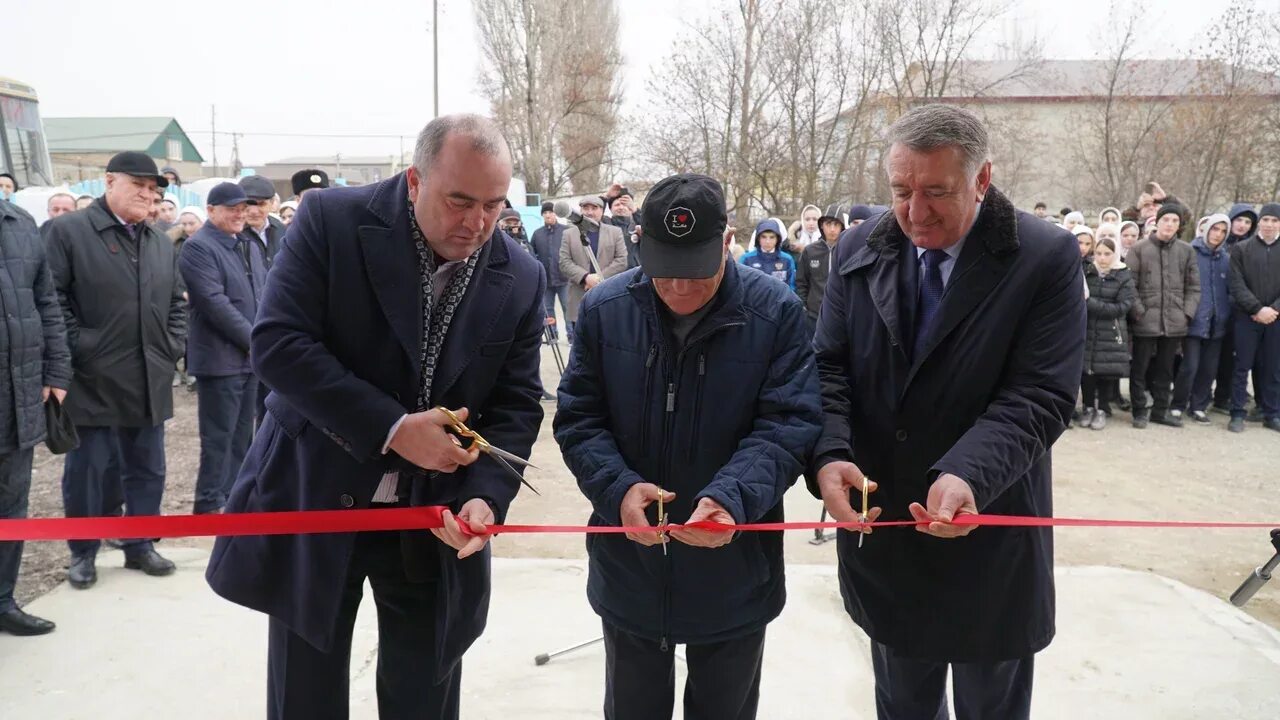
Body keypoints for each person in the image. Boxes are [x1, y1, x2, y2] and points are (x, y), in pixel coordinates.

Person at [205, 115, 545, 719]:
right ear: (415, 180)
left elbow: (517, 403)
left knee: (425, 692)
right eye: (460, 201)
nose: (477, 224)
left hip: (434, 515)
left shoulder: (519, 275)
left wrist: (486, 497)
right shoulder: (332, 221)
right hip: (318, 489)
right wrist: (392, 428)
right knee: (305, 691)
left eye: (494, 205)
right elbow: (279, 344)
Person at [811, 104, 1084, 720]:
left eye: (937, 191)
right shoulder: (859, 247)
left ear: (982, 179)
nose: (914, 212)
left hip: (987, 518)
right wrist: (829, 455)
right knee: (902, 699)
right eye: (901, 191)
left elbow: (1040, 395)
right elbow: (827, 368)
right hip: (886, 525)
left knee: (992, 701)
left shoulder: (1044, 258)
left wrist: (967, 474)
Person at [554, 172, 821, 720]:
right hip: (630, 565)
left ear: (727, 243)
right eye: (663, 271)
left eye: (694, 272)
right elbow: (580, 418)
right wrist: (619, 489)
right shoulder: (606, 310)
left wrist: (732, 497)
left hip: (735, 569)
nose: (677, 288)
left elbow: (789, 422)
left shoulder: (776, 314)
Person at [43, 151, 187, 589]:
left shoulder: (159, 240)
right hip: (92, 378)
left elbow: (178, 304)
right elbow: (52, 300)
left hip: (149, 376)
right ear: (109, 182)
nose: (147, 195)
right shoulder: (68, 232)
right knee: (89, 470)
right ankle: (83, 551)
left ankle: (139, 543)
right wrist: (81, 347)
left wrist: (171, 347)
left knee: (147, 467)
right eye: (137, 185)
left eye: (154, 189)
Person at [0, 199, 72, 636]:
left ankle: (3, 600)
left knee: (11, 505)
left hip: (17, 394)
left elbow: (46, 302)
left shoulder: (18, 221)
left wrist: (57, 370)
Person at [179, 183, 268, 515]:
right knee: (218, 438)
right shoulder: (198, 247)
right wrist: (257, 339)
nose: (239, 215)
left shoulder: (245, 245)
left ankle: (233, 501)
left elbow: (264, 294)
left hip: (249, 360)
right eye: (232, 209)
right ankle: (208, 505)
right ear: (211, 210)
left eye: (243, 209)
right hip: (219, 361)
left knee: (244, 436)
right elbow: (214, 303)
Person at [1127, 202, 1200, 428]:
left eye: (1174, 221)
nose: (1169, 224)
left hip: (1174, 322)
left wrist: (1186, 314)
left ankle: (1160, 410)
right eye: (1165, 219)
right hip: (1145, 320)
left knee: (1165, 370)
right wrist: (1139, 312)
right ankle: (1139, 410)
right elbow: (1129, 285)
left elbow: (1194, 287)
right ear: (1157, 221)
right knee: (1139, 369)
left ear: (1179, 225)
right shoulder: (1139, 249)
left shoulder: (1186, 251)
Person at [1171, 214, 1232, 425]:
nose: (1218, 234)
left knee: (1209, 368)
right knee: (1190, 366)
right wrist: (1186, 313)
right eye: (1215, 229)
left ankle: (1198, 406)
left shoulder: (1226, 258)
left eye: (1223, 231)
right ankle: (1178, 404)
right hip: (1194, 320)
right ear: (1206, 229)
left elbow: (1230, 289)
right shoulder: (1190, 252)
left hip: (1218, 323)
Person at [1226, 203, 1280, 433]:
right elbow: (1236, 283)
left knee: (1272, 368)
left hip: (1276, 320)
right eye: (1266, 220)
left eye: (1274, 221)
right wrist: (1257, 309)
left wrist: (1273, 310)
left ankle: (1271, 412)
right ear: (1260, 222)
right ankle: (1237, 413)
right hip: (1247, 317)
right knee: (1241, 366)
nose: (1269, 224)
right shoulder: (1242, 249)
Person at [1080, 238, 1134, 430]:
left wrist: (1090, 303)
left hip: (1110, 332)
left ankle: (1102, 408)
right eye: (1099, 253)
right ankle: (1087, 407)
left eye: (1107, 254)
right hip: (1087, 329)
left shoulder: (1124, 275)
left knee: (1105, 372)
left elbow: (1122, 307)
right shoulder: (1088, 272)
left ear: (1115, 254)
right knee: (1086, 372)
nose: (1102, 258)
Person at [1213, 203, 1261, 414]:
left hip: (1242, 309)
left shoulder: (1253, 248)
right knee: (1214, 356)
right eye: (1239, 220)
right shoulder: (1219, 245)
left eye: (1248, 222)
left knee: (1234, 358)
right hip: (1218, 307)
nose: (1242, 225)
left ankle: (1225, 395)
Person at [559, 196, 628, 338]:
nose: (590, 212)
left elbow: (621, 260)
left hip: (608, 296)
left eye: (594, 208)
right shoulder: (569, 234)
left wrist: (598, 280)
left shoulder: (615, 232)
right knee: (581, 345)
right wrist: (585, 277)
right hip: (579, 298)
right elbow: (564, 262)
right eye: (586, 208)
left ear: (602, 211)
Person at [796, 209, 846, 337]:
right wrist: (805, 306)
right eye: (828, 224)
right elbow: (802, 281)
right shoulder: (810, 251)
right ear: (822, 225)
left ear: (842, 226)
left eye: (836, 224)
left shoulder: (848, 250)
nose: (832, 229)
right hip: (814, 315)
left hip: (841, 314)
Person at [531, 202, 569, 341]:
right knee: (548, 309)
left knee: (567, 308)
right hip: (546, 280)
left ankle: (571, 336)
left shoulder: (566, 231)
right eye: (545, 212)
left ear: (556, 214)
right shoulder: (537, 234)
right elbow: (532, 254)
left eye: (551, 212)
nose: (548, 215)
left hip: (564, 278)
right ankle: (552, 335)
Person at [239, 176, 288, 270]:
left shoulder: (283, 232)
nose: (253, 211)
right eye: (248, 203)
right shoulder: (232, 234)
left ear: (272, 203)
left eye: (261, 204)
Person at [740, 218, 796, 289]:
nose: (767, 241)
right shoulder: (747, 259)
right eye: (764, 237)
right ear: (758, 238)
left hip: (779, 299)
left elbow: (791, 288)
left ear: (777, 239)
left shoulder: (787, 260)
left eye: (772, 237)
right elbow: (740, 286)